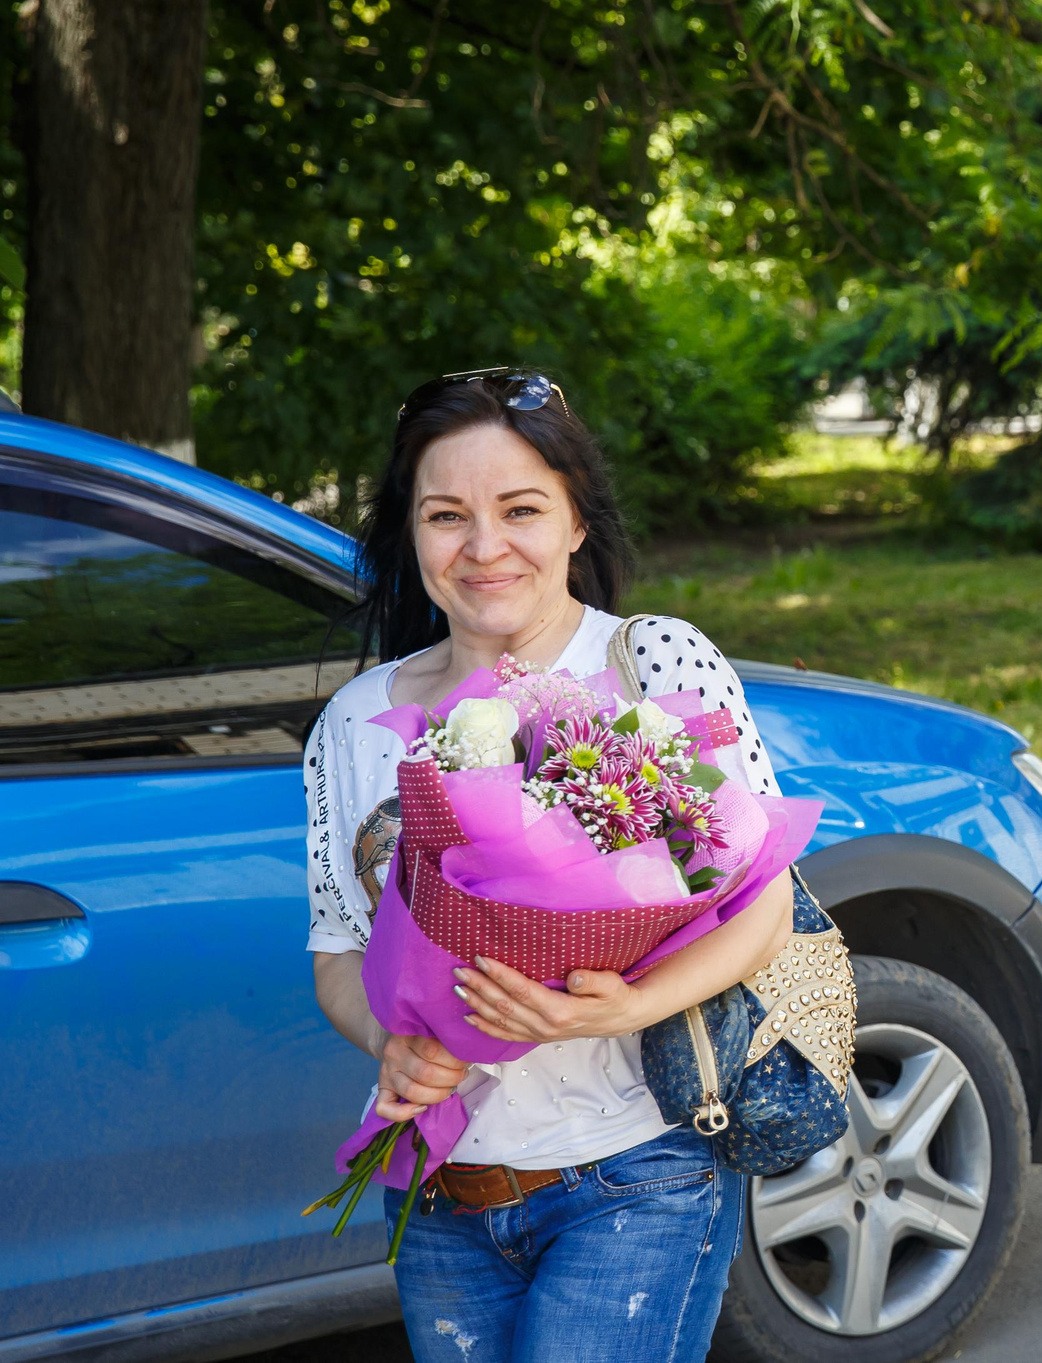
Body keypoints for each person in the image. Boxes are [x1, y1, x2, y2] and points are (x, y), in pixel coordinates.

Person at [306, 369, 796, 1362]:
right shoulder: (354, 725)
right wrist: (391, 1042)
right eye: (447, 515)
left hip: (636, 1173)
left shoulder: (648, 668)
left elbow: (761, 908)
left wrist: (617, 1007)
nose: (484, 546)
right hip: (439, 1196)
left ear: (576, 521)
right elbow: (336, 950)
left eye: (521, 509)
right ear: (411, 532)